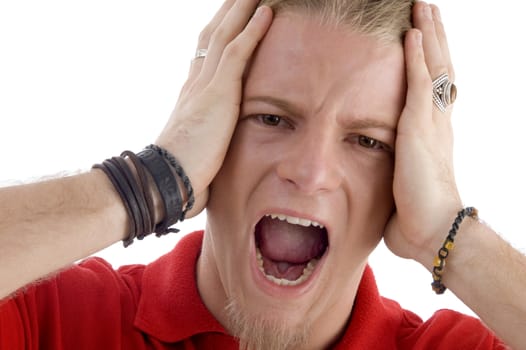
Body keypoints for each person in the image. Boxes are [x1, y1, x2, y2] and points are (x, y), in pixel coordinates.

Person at [0, 0, 524, 348]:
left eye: (368, 141)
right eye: (272, 118)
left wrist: (445, 230)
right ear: (210, 132)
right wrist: (152, 181)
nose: (310, 171)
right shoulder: (53, 317)